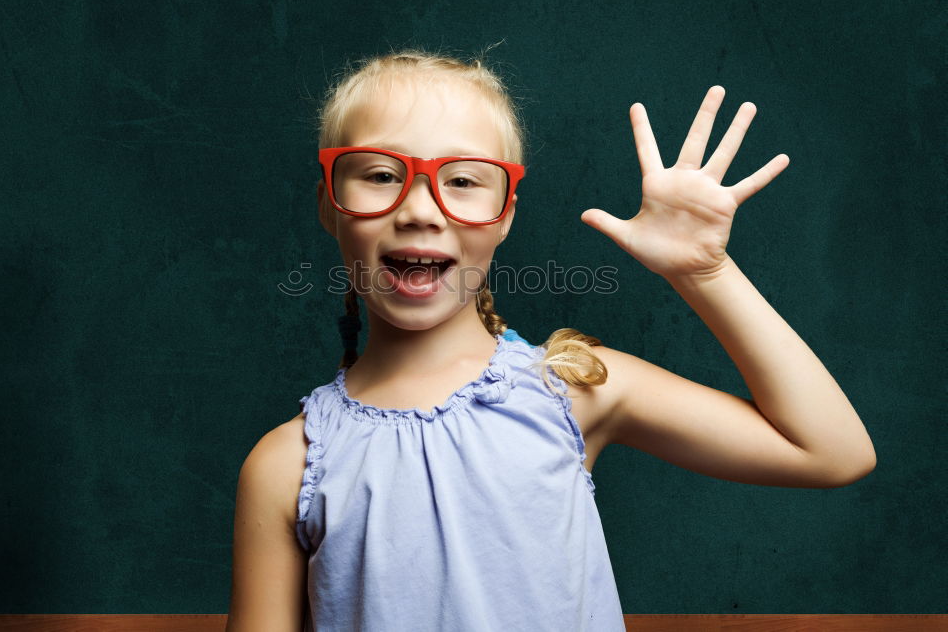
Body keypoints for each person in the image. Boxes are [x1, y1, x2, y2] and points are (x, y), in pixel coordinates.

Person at [225, 48, 877, 631]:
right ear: (328, 205)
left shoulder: (571, 386)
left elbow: (831, 452)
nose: (420, 209)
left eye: (462, 180)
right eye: (379, 174)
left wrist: (703, 272)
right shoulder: (285, 467)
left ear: (505, 214)